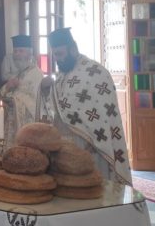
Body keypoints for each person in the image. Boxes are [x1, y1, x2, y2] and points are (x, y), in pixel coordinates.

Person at [38, 27, 132, 185]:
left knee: (94, 188)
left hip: (92, 143)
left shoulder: (95, 72)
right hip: (66, 146)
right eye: (55, 55)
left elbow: (99, 110)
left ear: (73, 49)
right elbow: (57, 107)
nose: (57, 60)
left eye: (60, 54)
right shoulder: (62, 74)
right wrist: (46, 89)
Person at [0, 35, 44, 153]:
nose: (17, 54)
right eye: (15, 51)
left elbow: (36, 102)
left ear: (29, 53)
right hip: (11, 123)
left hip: (26, 128)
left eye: (21, 51)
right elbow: (0, 96)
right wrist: (7, 88)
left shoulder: (36, 74)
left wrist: (13, 100)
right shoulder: (19, 73)